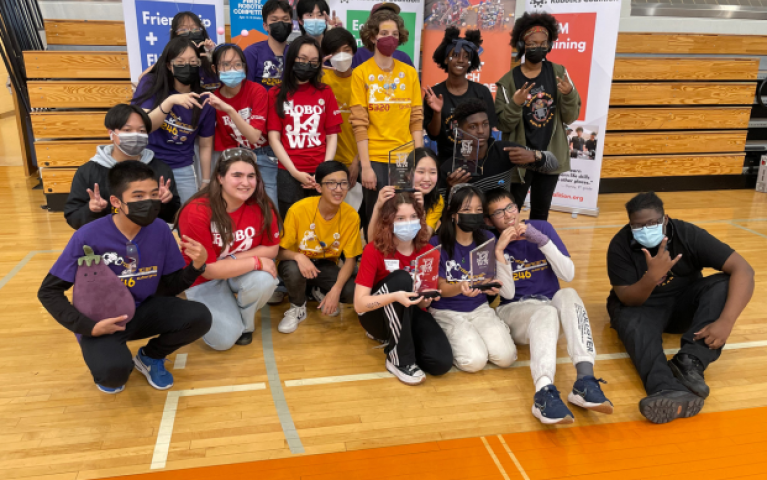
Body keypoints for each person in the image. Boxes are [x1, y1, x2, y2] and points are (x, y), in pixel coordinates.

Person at [37, 161, 212, 393]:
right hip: (103, 321)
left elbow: (170, 287)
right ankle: (109, 356)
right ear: (116, 202)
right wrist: (88, 326)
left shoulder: (160, 230)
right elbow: (48, 291)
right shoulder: (87, 236)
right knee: (113, 377)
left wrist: (196, 267)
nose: (148, 202)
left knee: (199, 316)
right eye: (138, 196)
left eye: (152, 194)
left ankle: (150, 357)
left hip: (143, 311)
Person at [607, 192, 754, 424]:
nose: (645, 229)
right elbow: (627, 298)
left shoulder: (687, 234)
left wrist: (726, 321)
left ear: (665, 219)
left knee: (724, 284)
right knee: (630, 321)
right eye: (637, 226)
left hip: (684, 304)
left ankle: (689, 362)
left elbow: (743, 270)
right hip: (641, 305)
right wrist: (651, 278)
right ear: (630, 225)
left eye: (652, 223)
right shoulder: (620, 245)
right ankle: (665, 388)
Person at [485, 188, 611, 425]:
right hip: (515, 312)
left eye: (510, 207)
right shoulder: (491, 241)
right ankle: (543, 393)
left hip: (550, 310)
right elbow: (508, 293)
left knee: (569, 293)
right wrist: (500, 251)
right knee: (546, 311)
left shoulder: (541, 228)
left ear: (518, 207)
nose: (508, 215)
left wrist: (542, 241)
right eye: (499, 213)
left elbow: (568, 274)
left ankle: (585, 379)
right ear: (489, 220)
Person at [178, 149, 280, 350]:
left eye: (251, 176)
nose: (246, 182)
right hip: (203, 279)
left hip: (234, 269)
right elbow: (208, 269)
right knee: (223, 342)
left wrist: (232, 258)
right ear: (220, 178)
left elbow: (272, 248)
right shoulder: (197, 210)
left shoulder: (262, 205)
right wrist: (255, 261)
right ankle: (206, 309)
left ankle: (245, 324)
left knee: (265, 280)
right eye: (237, 175)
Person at [354, 192, 452, 385]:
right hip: (376, 315)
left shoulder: (427, 252)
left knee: (441, 363)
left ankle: (404, 343)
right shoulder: (374, 250)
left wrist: (428, 297)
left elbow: (423, 301)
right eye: (400, 218)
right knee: (401, 278)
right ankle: (398, 359)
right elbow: (359, 305)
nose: (408, 223)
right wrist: (394, 297)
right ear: (388, 221)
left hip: (410, 311)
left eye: (413, 217)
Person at [495, 12, 580, 221]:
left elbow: (570, 117)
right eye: (533, 43)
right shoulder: (508, 81)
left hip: (549, 157)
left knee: (541, 215)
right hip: (519, 159)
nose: (538, 47)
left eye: (543, 43)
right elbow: (504, 123)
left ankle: (535, 252)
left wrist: (569, 94)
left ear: (550, 45)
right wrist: (516, 104)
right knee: (510, 215)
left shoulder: (559, 72)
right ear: (522, 43)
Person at [429, 184, 516, 372]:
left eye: (478, 210)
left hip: (479, 308)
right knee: (474, 361)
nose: (473, 214)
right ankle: (452, 337)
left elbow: (487, 275)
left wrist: (490, 285)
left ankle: (486, 333)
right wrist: (461, 287)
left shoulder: (487, 238)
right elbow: (440, 287)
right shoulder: (437, 243)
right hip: (447, 311)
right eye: (467, 209)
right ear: (453, 213)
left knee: (506, 357)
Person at [351, 8, 423, 233]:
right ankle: (376, 265)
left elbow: (416, 120)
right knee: (378, 217)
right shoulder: (360, 73)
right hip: (375, 158)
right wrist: (366, 167)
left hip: (404, 157)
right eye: (383, 32)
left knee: (404, 216)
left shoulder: (410, 73)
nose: (389, 38)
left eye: (394, 33)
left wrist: (419, 160)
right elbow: (359, 124)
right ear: (372, 36)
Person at [276, 161, 363, 333]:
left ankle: (317, 289)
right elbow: (279, 251)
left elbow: (351, 260)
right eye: (331, 183)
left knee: (352, 290)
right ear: (318, 187)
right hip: (296, 263)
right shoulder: (298, 210)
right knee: (293, 270)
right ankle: (297, 307)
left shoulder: (352, 216)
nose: (338, 189)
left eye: (343, 183)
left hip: (325, 265)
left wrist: (335, 291)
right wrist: (299, 257)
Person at [64, 104, 180, 229]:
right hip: (105, 239)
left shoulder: (160, 169)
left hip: (148, 237)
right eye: (127, 130)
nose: (135, 135)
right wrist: (91, 209)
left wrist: (166, 202)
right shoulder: (88, 171)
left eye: (141, 131)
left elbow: (174, 216)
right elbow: (73, 218)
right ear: (111, 133)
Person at [132, 37, 216, 205]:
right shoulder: (152, 85)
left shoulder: (205, 100)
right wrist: (169, 103)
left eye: (193, 62)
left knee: (189, 213)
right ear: (169, 66)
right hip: (148, 163)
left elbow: (206, 145)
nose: (187, 66)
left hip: (183, 167)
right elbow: (144, 126)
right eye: (180, 61)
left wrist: (206, 181)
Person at [267, 36, 341, 216]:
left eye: (314, 61)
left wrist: (324, 170)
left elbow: (332, 135)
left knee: (320, 223)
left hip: (321, 173)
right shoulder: (275, 93)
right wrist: (294, 172)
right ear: (292, 58)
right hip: (288, 172)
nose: (308, 65)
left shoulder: (326, 92)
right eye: (302, 59)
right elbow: (274, 138)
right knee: (291, 226)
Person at [204, 44, 277, 208]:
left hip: (264, 153)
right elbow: (225, 142)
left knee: (269, 206)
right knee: (237, 204)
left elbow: (254, 136)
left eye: (238, 64)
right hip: (238, 155)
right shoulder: (214, 99)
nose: (232, 69)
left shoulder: (257, 91)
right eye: (226, 64)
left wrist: (229, 110)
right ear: (215, 68)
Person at [442, 99, 558, 194]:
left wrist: (536, 156)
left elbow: (554, 165)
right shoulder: (449, 169)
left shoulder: (505, 151)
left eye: (485, 124)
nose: (481, 131)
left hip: (503, 219)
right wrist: (450, 189)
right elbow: (439, 212)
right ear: (459, 132)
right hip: (469, 221)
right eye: (473, 127)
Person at [422, 27, 497, 167]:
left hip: (478, 161)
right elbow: (433, 135)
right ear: (446, 59)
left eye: (466, 56)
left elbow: (488, 132)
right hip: (446, 162)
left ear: (471, 62)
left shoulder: (482, 92)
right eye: (455, 55)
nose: (461, 60)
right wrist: (437, 112)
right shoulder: (434, 94)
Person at [367, 148, 444, 242]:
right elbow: (372, 240)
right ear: (408, 174)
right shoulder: (393, 196)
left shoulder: (437, 200)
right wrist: (377, 207)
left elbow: (424, 239)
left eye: (433, 172)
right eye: (421, 172)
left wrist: (421, 211)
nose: (427, 178)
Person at [321, 28, 360, 197]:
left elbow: (373, 124)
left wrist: (357, 161)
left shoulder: (362, 79)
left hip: (357, 160)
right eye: (335, 52)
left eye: (346, 50)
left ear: (353, 51)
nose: (342, 56)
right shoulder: (321, 78)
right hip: (328, 160)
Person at [138, 11, 219, 90]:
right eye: (183, 30)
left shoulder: (208, 53)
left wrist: (211, 53)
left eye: (195, 29)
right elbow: (142, 78)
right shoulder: (170, 59)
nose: (190, 32)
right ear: (174, 33)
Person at [245, 0, 292, 90]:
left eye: (285, 19)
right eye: (274, 20)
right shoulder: (251, 53)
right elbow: (246, 90)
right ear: (265, 26)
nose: (280, 23)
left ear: (291, 25)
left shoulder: (297, 53)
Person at [351, 3, 413, 69]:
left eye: (392, 15)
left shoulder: (403, 58)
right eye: (381, 15)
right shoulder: (358, 55)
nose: (388, 17)